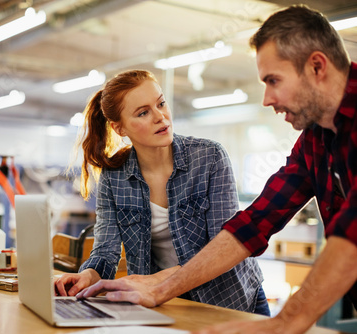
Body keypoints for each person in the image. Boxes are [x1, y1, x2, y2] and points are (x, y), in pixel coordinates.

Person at [76, 4, 357, 334]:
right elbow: (255, 222)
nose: (266, 98)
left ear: (316, 67)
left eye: (273, 80)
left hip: (228, 299)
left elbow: (351, 234)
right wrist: (160, 288)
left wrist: (287, 322)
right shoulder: (316, 139)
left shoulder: (208, 157)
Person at [54, 69, 270, 315]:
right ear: (120, 128)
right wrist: (87, 275)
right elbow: (106, 251)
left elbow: (223, 250)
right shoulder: (113, 177)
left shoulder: (209, 158)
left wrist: (153, 281)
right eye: (143, 112)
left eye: (161, 103)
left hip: (229, 301)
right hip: (169, 302)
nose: (160, 117)